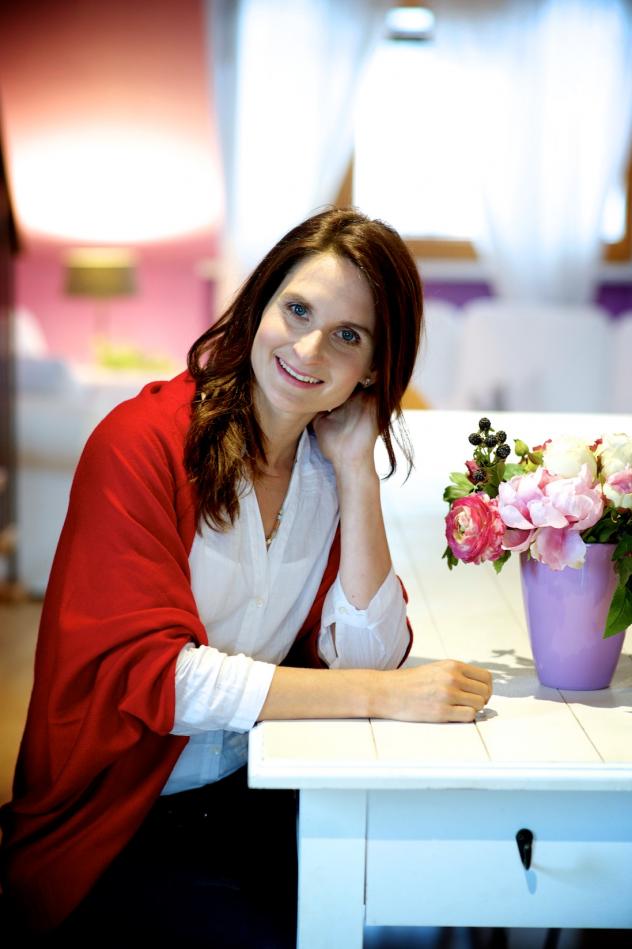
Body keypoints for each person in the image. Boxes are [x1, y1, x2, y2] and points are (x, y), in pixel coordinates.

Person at [0, 208, 492, 947]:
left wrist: (359, 472)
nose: (309, 348)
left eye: (348, 336)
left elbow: (366, 653)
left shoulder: (326, 462)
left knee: (414, 890)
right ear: (260, 303)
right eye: (298, 310)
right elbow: (160, 681)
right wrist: (383, 694)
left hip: (257, 787)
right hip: (117, 823)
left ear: (373, 369)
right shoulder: (139, 444)